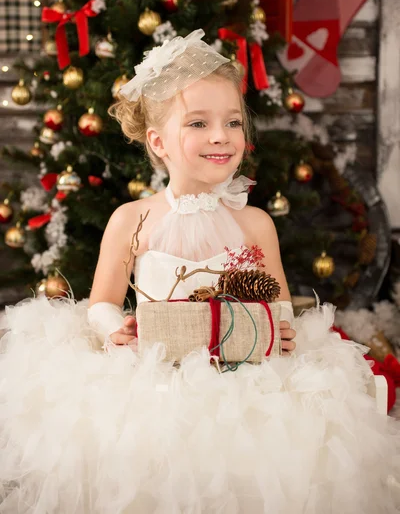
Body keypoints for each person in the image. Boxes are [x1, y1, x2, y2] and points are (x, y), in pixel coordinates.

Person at [0, 30, 399, 514]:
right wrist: (115, 328)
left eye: (233, 121)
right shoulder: (134, 218)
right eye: (198, 123)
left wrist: (282, 327)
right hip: (159, 376)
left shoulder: (253, 222)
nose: (220, 136)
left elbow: (276, 298)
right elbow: (101, 301)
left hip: (245, 375)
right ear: (158, 141)